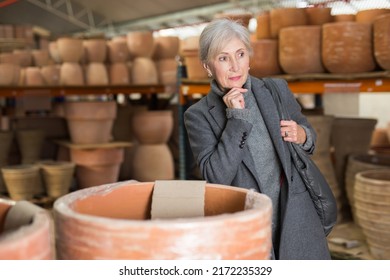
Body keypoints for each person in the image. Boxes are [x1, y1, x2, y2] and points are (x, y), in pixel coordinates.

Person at [184, 18, 331, 260]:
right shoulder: (198, 116)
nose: (235, 66)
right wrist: (237, 118)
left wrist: (301, 134)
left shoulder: (275, 91)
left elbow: (309, 137)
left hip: (295, 215)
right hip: (245, 222)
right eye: (223, 58)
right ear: (208, 66)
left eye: (240, 54)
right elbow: (215, 176)